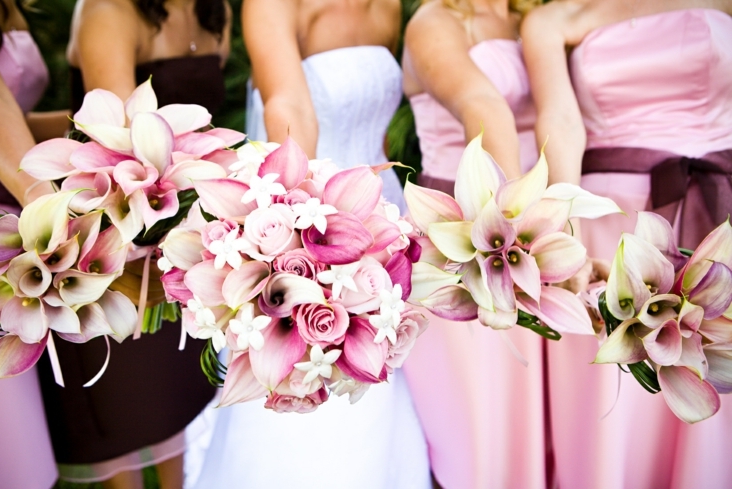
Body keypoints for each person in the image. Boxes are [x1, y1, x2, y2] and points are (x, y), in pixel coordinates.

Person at [185, 1, 431, 488]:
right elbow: (287, 104)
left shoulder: (388, 7)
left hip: (385, 222)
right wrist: (303, 212)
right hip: (310, 212)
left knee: (378, 384)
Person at [522, 1, 732, 488]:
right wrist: (566, 233)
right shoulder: (552, 19)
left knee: (705, 387)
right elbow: (560, 124)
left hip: (716, 222)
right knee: (610, 409)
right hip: (611, 229)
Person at [33, 1, 231, 488]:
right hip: (112, 237)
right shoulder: (108, 10)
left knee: (173, 407)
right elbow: (125, 144)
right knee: (125, 416)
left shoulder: (216, 12)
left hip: (184, 237)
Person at [400, 1, 547, 487]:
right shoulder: (433, 23)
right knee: (477, 431)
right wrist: (504, 224)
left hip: (532, 243)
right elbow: (483, 105)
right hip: (462, 244)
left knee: (528, 422)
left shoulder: (527, 18)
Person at [0, 1, 71, 488]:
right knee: (10, 455)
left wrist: (89, 133)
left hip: (14, 213)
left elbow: (8, 114)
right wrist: (50, 209)